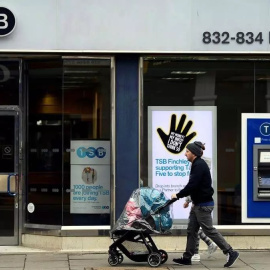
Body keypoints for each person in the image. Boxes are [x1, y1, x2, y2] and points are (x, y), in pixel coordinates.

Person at [171, 141, 239, 268]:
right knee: (192, 230)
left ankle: (230, 251)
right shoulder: (196, 164)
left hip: (203, 205)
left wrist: (178, 195)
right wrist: (189, 200)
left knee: (209, 230)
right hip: (198, 204)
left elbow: (192, 185)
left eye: (187, 151)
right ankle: (187, 257)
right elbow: (195, 187)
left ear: (194, 153)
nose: (185, 154)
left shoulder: (199, 165)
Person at [184, 196, 217, 262]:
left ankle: (196, 253)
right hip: (199, 205)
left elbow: (195, 190)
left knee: (194, 230)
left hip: (200, 206)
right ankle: (209, 244)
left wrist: (187, 201)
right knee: (194, 229)